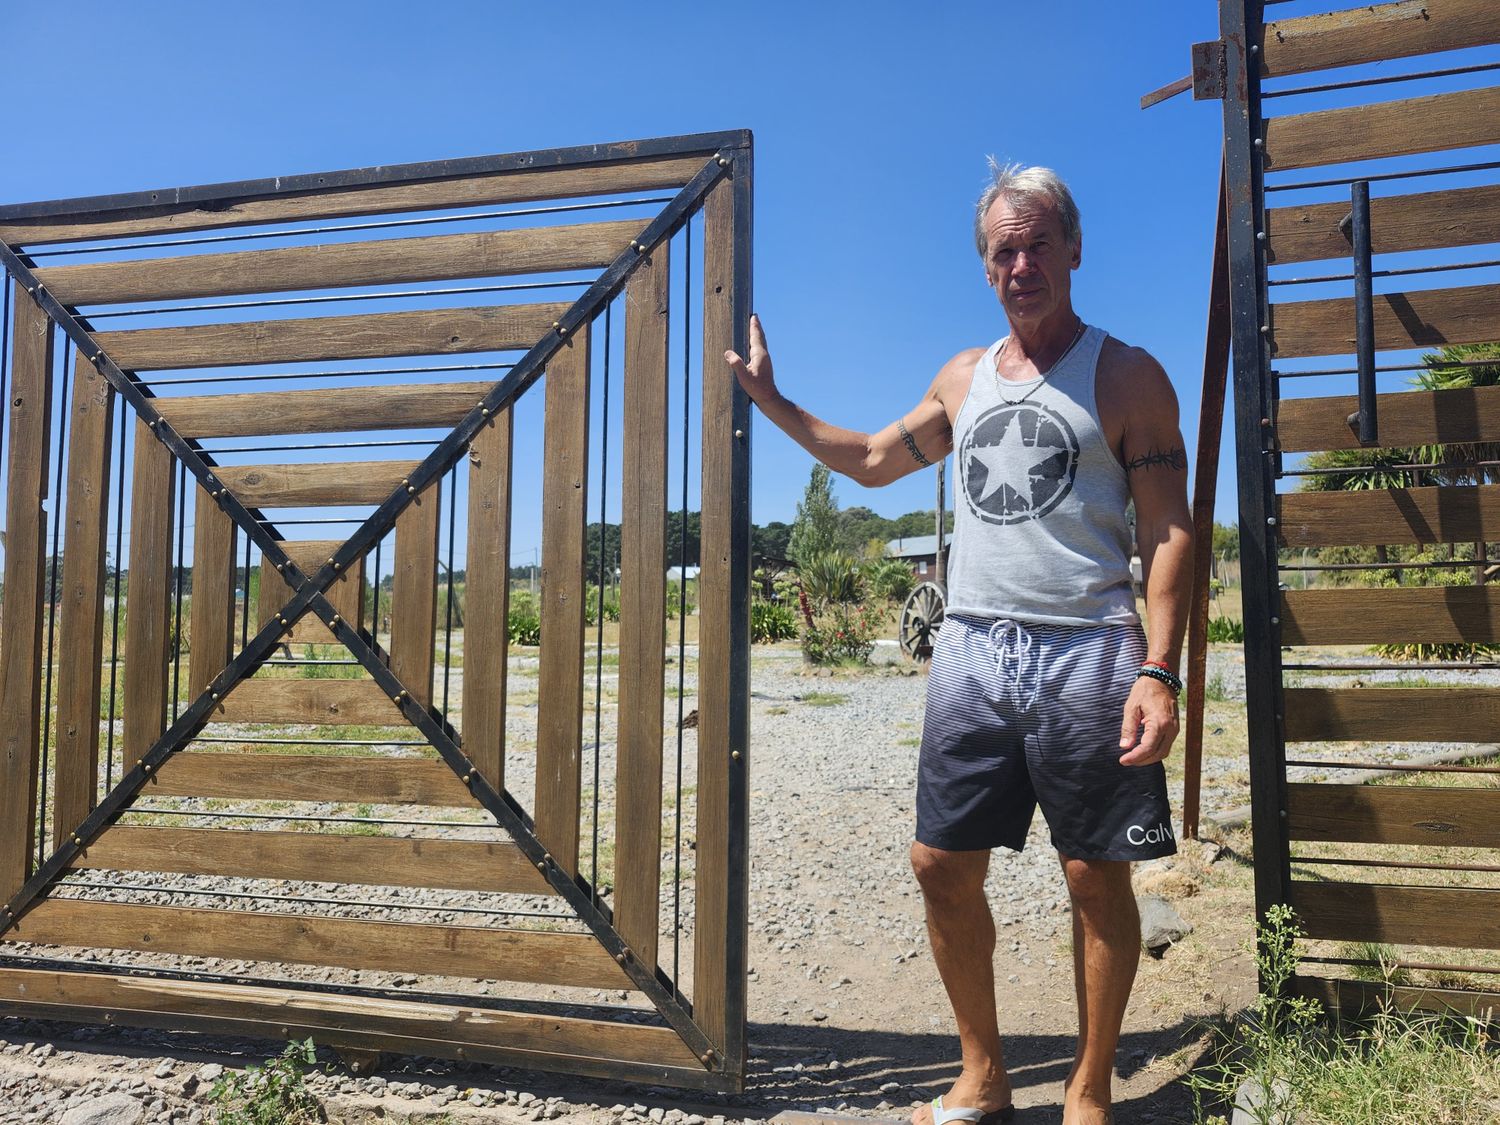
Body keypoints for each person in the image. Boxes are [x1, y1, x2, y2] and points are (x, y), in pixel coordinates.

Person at [725, 162, 1193, 1125]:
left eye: (1036, 243)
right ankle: (983, 1074)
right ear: (986, 270)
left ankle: (1090, 1086)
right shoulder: (962, 377)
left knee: (1091, 871)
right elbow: (869, 461)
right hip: (973, 649)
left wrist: (1159, 670)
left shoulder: (1128, 374)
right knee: (939, 863)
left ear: (1073, 248)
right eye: (1002, 250)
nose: (1021, 264)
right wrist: (773, 400)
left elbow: (1172, 531)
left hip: (1088, 648)